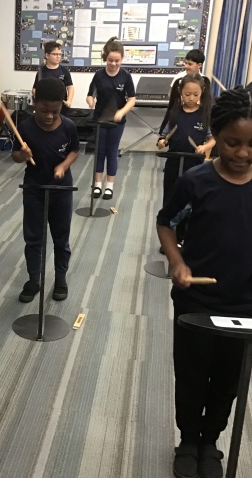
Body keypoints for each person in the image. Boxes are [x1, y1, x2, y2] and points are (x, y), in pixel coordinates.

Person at [157, 84, 252, 478]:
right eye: (232, 143)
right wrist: (177, 262)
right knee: (192, 375)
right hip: (196, 300)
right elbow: (166, 224)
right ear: (216, 135)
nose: (243, 153)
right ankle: (188, 440)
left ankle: (210, 440)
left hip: (244, 305)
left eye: (251, 145)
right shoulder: (196, 182)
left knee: (229, 381)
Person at [12, 77, 79, 302]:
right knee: (33, 238)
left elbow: (74, 151)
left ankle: (60, 278)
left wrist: (63, 166)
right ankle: (34, 279)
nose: (49, 116)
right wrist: (23, 155)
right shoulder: (25, 127)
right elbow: (15, 156)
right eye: (44, 111)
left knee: (61, 238)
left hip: (61, 190)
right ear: (35, 103)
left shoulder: (68, 127)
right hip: (34, 189)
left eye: (55, 111)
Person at [86, 37, 136, 200]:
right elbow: (90, 94)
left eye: (117, 61)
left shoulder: (125, 76)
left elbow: (132, 100)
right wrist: (90, 101)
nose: (113, 64)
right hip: (100, 119)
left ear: (122, 59)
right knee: (100, 151)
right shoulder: (99, 75)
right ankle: (97, 184)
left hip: (117, 122)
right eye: (110, 60)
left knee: (112, 152)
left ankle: (109, 185)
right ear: (105, 58)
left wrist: (121, 112)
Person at [157, 73, 215, 208]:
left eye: (196, 94)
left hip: (194, 164)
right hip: (173, 163)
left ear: (202, 92)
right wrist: (162, 142)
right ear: (180, 92)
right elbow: (163, 136)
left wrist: (204, 147)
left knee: (191, 198)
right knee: (170, 197)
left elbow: (213, 139)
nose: (191, 98)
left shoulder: (204, 115)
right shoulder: (174, 113)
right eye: (187, 94)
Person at [33, 41, 74, 114]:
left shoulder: (64, 71)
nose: (58, 56)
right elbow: (34, 89)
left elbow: (70, 87)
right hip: (45, 107)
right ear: (47, 55)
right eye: (55, 54)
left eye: (60, 54)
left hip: (61, 107)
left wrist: (69, 101)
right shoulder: (41, 71)